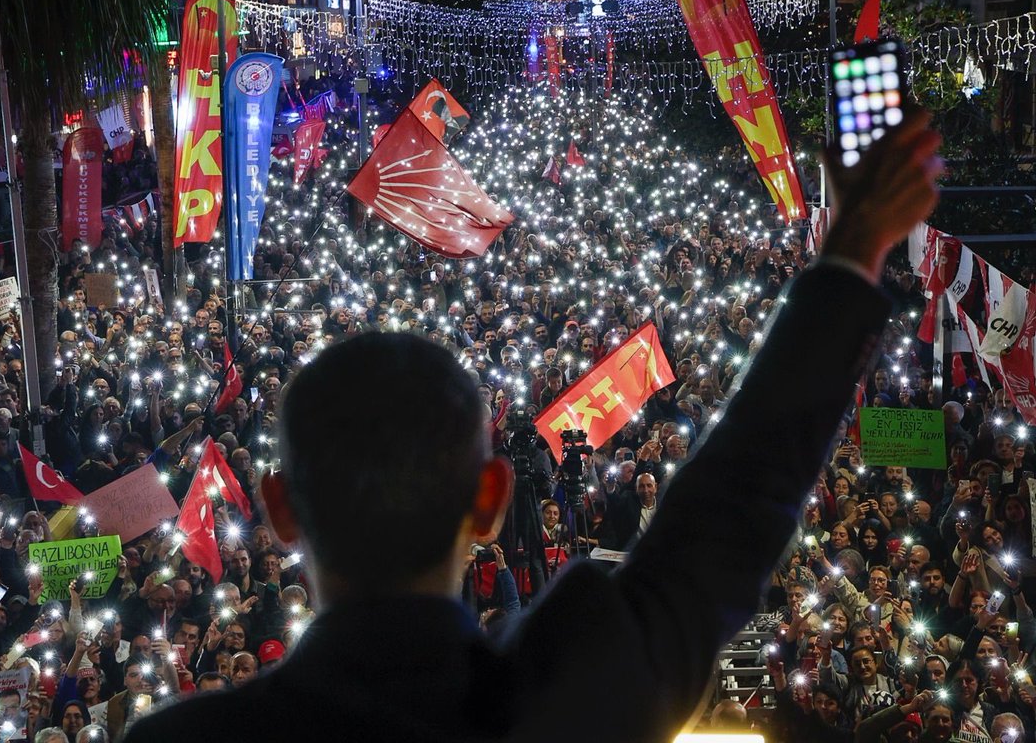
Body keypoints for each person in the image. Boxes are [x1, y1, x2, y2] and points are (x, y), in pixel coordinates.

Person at [126, 112, 943, 741]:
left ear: (280, 510)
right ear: (490, 499)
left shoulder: (180, 739)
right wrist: (852, 253)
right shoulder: (582, 690)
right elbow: (736, 501)